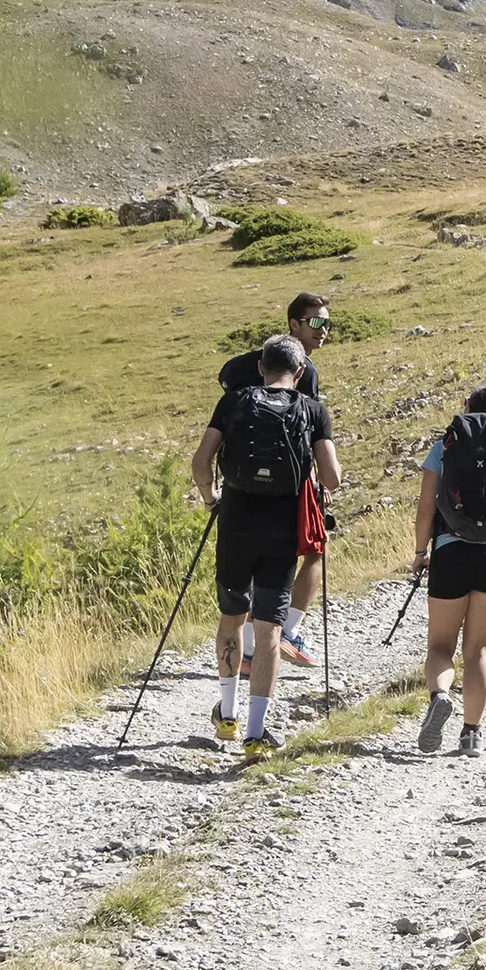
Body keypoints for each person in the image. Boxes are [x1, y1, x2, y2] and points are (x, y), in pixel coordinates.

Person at [193, 334, 341, 758]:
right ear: (300, 372)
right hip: (281, 531)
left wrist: (210, 499)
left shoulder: (235, 401)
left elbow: (201, 461)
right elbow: (332, 477)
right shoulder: (312, 410)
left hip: (236, 523)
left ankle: (227, 715)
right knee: (269, 628)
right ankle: (257, 733)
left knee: (231, 618)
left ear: (260, 367)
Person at [410, 385, 486, 758]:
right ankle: (472, 734)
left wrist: (420, 552)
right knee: (477, 649)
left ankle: (441, 695)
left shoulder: (443, 449)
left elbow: (425, 511)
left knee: (440, 646)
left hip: (449, 554)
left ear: (467, 412)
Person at [218, 292, 331, 674]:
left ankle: (248, 652)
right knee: (314, 548)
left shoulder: (246, 368)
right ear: (294, 325)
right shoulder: (307, 373)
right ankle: (285, 634)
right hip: (288, 491)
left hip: (239, 492)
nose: (324, 330)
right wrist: (317, 484)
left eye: (327, 322)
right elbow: (305, 434)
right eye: (316, 322)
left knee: (244, 574)